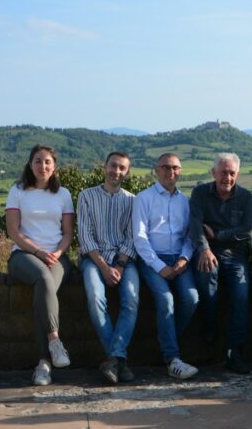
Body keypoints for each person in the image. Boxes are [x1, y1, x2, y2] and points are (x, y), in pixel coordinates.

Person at [5, 144, 75, 386]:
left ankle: (43, 364)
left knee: (43, 293)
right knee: (43, 280)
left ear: (54, 165)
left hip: (56, 257)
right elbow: (13, 231)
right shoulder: (18, 191)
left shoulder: (63, 194)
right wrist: (38, 252)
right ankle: (55, 342)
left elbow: (67, 233)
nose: (42, 166)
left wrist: (55, 253)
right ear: (30, 164)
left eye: (47, 161)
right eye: (37, 161)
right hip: (24, 255)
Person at [133, 153, 199, 380]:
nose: (171, 172)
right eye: (166, 167)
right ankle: (172, 359)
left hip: (180, 259)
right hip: (152, 259)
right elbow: (140, 238)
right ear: (156, 170)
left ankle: (166, 340)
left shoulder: (185, 201)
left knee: (191, 299)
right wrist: (159, 266)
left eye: (176, 168)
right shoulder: (143, 198)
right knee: (166, 300)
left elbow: (190, 236)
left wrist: (184, 259)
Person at [190, 152, 252, 374]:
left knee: (241, 295)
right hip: (205, 251)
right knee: (206, 284)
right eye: (223, 172)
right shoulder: (199, 193)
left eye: (232, 173)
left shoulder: (246, 197)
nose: (227, 177)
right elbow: (195, 225)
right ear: (213, 173)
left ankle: (235, 351)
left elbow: (247, 230)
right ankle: (210, 327)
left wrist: (217, 235)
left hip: (235, 255)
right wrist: (205, 248)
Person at [77, 152, 139, 384]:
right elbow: (85, 236)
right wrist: (104, 267)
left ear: (127, 172)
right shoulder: (86, 196)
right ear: (104, 167)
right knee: (95, 297)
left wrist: (120, 266)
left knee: (131, 299)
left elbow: (131, 238)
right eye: (113, 166)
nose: (117, 171)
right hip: (93, 259)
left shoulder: (133, 200)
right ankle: (119, 360)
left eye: (122, 168)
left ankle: (113, 359)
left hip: (123, 259)